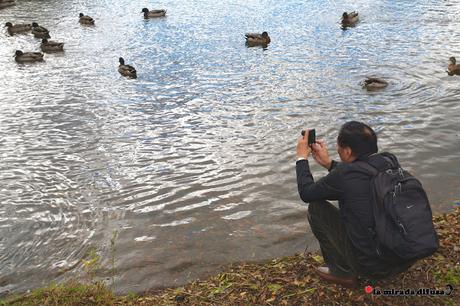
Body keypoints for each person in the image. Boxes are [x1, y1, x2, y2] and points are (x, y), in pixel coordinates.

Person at [295, 121, 414, 288]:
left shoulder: (344, 176)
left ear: (348, 151)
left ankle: (342, 272)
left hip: (374, 269)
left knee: (316, 208)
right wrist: (329, 164)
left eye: (339, 146)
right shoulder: (389, 161)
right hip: (404, 258)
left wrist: (301, 158)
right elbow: (358, 175)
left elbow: (306, 193)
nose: (337, 149)